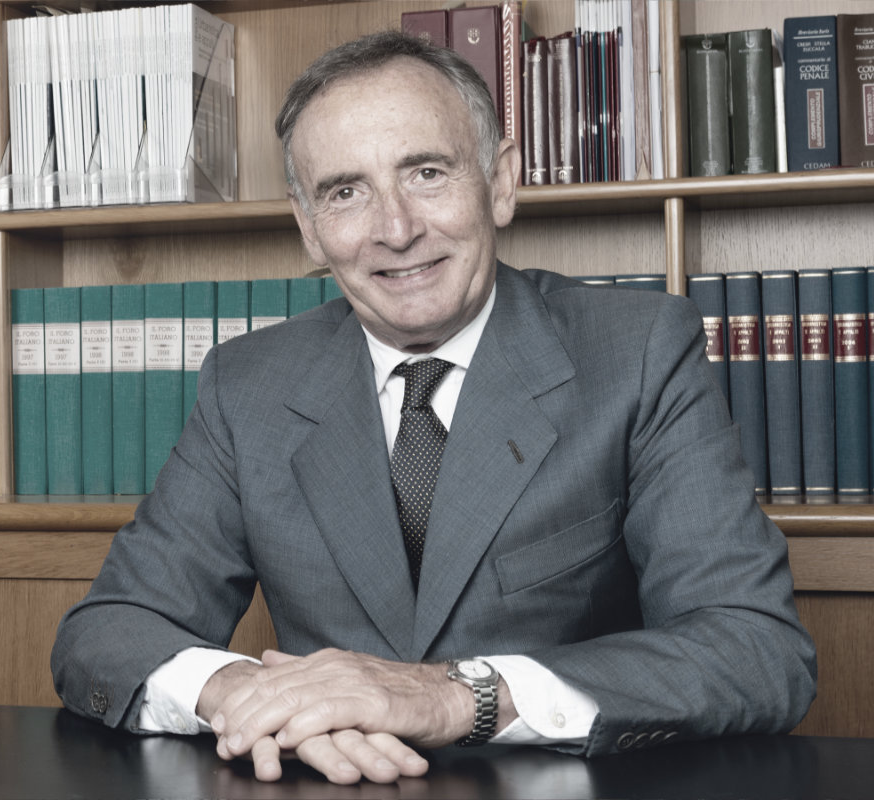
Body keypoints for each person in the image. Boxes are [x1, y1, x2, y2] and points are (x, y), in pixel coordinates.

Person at [51, 31, 816, 786]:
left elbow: (755, 649)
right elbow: (106, 632)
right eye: (345, 192)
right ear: (309, 227)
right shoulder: (247, 382)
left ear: (501, 183)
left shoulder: (638, 352)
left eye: (426, 173)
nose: (396, 229)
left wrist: (453, 697)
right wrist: (248, 696)